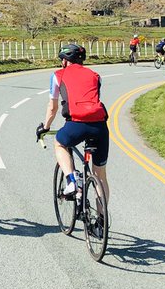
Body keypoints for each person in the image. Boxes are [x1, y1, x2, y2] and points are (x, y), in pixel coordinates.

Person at [36, 43, 110, 206]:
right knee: (100, 176)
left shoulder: (58, 75)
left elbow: (52, 107)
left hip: (77, 124)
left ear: (64, 60)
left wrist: (45, 127)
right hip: (100, 126)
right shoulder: (95, 75)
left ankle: (71, 181)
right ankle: (101, 222)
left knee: (60, 143)